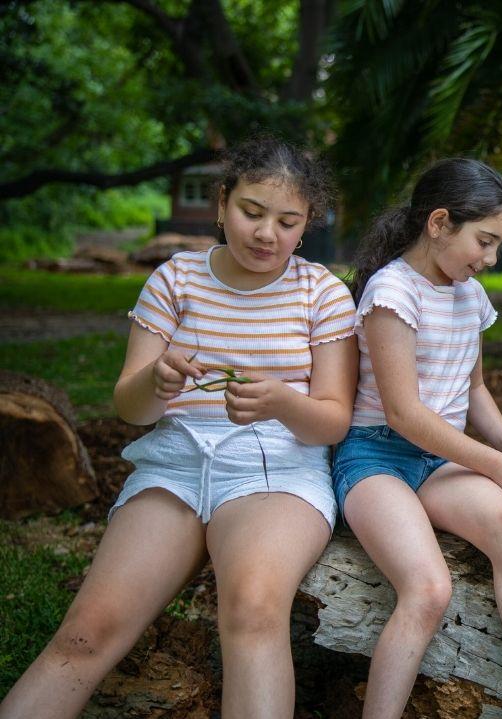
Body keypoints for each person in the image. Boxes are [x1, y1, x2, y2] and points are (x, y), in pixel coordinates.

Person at [0, 135, 359, 719]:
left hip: (274, 471)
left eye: (287, 221)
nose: (267, 233)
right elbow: (131, 409)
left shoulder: (320, 293)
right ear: (222, 204)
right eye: (252, 211)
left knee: (251, 610)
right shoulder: (177, 279)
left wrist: (279, 403)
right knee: (87, 633)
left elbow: (331, 421)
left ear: (306, 225)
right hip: (175, 464)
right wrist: (156, 380)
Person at [334, 158, 502, 719]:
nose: (492, 258)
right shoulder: (392, 291)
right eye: (485, 241)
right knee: (428, 588)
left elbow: (474, 391)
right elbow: (403, 414)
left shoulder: (469, 296)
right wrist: (496, 466)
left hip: (438, 458)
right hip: (377, 457)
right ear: (439, 222)